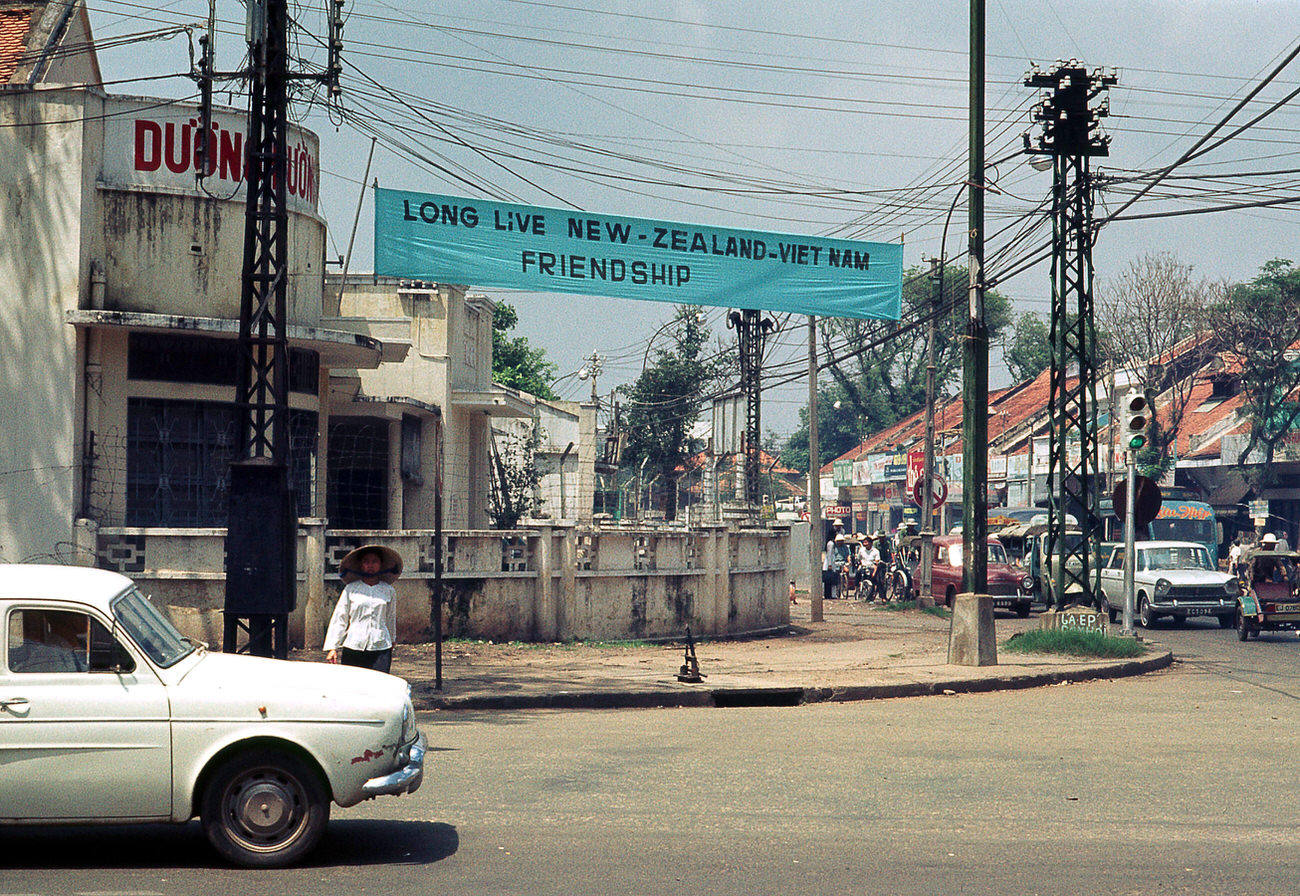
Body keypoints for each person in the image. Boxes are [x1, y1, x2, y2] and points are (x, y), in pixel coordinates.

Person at [324, 544, 402, 673]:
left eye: (374, 562)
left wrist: (392, 640)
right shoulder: (351, 589)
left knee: (379, 685)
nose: (370, 565)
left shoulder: (388, 590)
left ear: (381, 565)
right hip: (354, 645)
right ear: (361, 565)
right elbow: (340, 618)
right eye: (366, 562)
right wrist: (333, 648)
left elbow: (390, 617)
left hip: (380, 645)